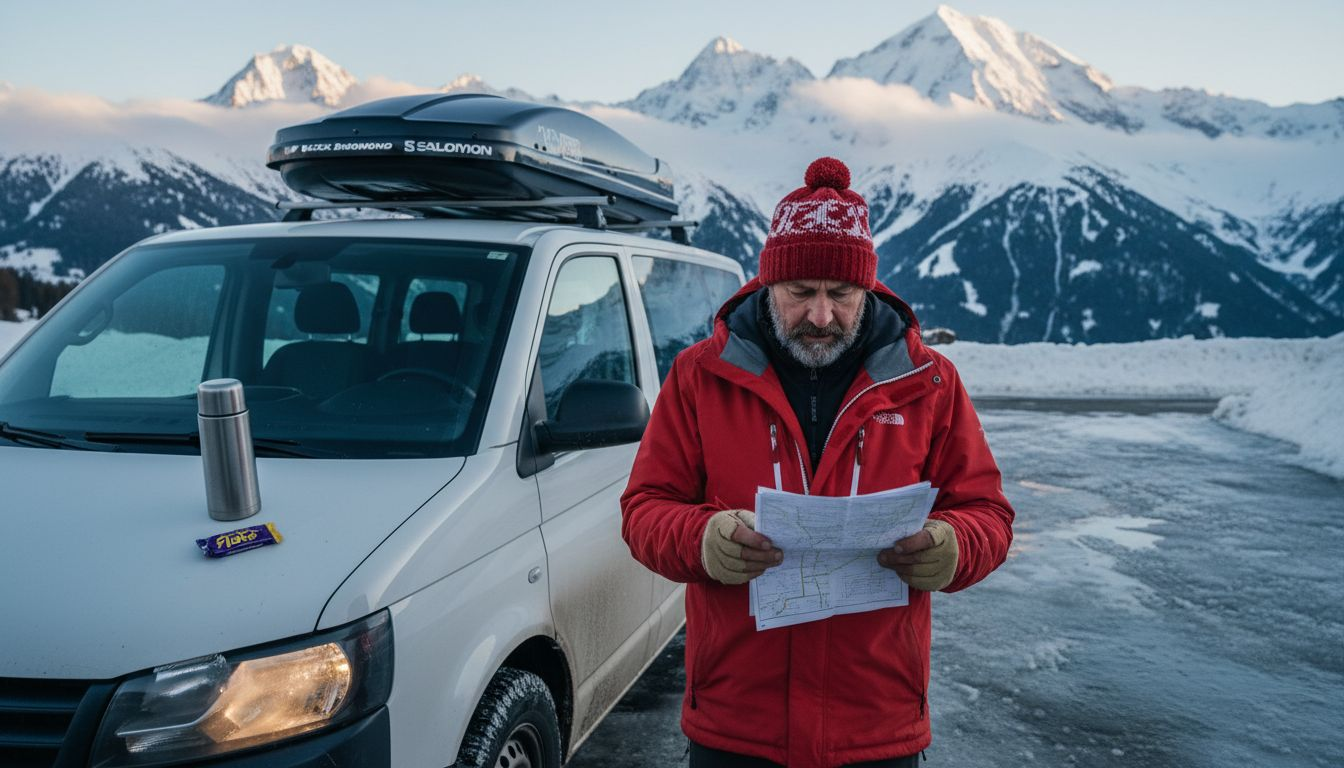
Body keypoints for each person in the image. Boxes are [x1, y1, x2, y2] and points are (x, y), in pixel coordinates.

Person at [620, 157, 1015, 768]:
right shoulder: (700, 377)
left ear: (869, 290)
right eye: (801, 293)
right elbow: (645, 509)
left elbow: (987, 511)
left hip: (876, 723)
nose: (822, 316)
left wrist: (955, 545)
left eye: (842, 295)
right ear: (768, 283)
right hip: (736, 721)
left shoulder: (929, 383)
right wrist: (703, 539)